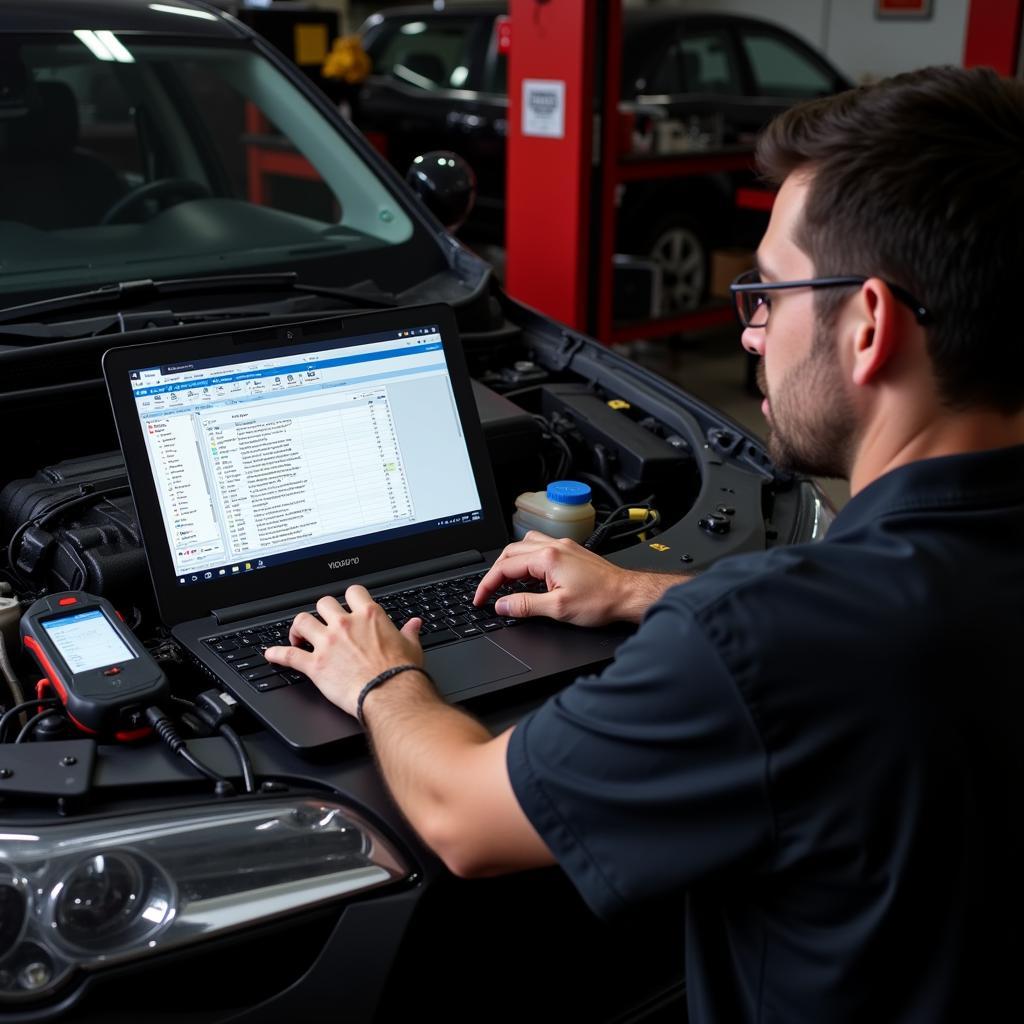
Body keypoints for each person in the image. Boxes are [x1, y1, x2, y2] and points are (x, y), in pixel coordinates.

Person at [266, 65, 1024, 1022]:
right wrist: (641, 593)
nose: (750, 335)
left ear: (869, 323)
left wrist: (380, 676)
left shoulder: (760, 634)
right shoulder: (836, 615)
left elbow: (462, 817)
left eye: (770, 295)